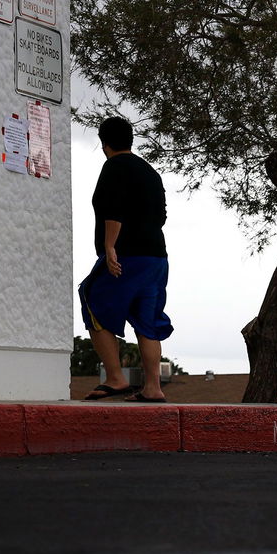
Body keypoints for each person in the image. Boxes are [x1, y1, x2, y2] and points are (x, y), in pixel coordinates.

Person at [78, 117, 172, 403]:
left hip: (127, 255)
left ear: (104, 142)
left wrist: (109, 246)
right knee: (147, 320)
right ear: (130, 139)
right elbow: (161, 217)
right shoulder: (150, 171)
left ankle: (116, 378)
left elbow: (113, 209)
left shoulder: (114, 166)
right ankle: (153, 388)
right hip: (157, 258)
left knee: (91, 297)